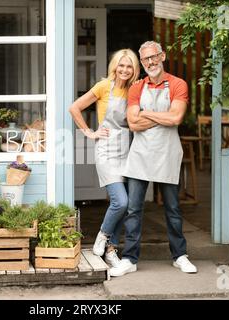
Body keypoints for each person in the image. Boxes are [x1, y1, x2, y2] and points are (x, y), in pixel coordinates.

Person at [109, 41, 198, 277]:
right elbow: (133, 124)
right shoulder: (137, 88)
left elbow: (176, 118)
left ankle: (180, 256)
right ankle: (129, 258)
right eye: (146, 59)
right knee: (133, 210)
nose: (150, 62)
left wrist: (146, 113)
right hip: (140, 156)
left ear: (162, 56)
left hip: (167, 153)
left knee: (173, 209)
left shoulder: (178, 84)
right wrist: (162, 117)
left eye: (154, 57)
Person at [69, 49, 142, 267]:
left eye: (129, 66)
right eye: (121, 65)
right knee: (121, 201)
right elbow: (75, 108)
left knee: (122, 205)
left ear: (134, 69)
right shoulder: (103, 86)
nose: (125, 70)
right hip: (107, 151)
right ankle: (102, 236)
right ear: (114, 66)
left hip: (128, 151)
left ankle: (111, 250)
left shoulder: (134, 90)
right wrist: (90, 133)